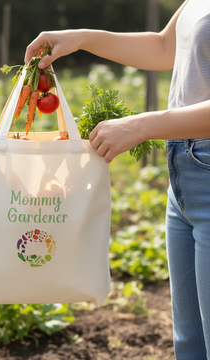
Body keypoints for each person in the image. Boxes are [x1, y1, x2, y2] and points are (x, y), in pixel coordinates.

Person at [25, 0, 210, 359]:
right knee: (190, 343)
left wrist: (142, 125)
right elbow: (163, 46)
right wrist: (81, 38)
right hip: (184, 176)